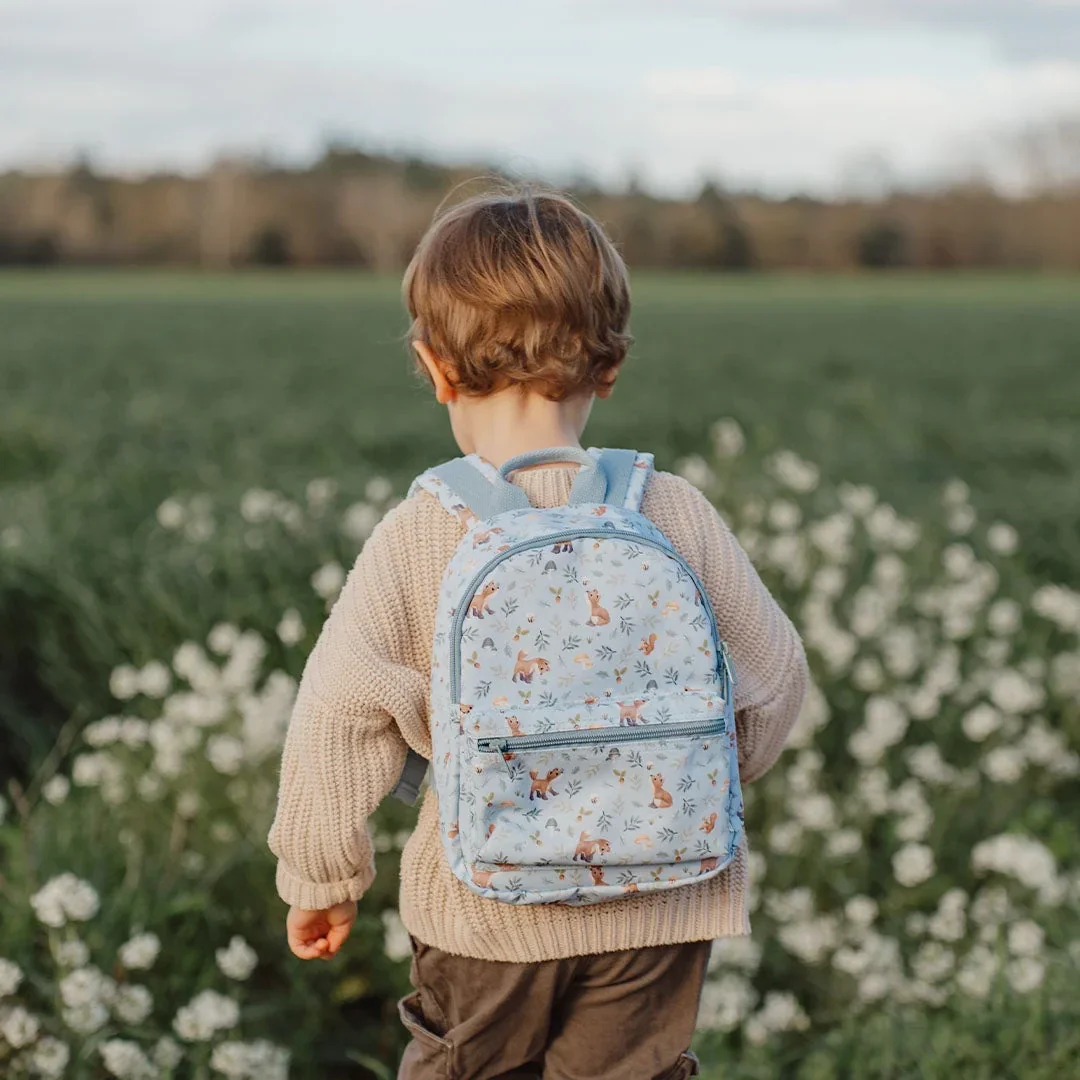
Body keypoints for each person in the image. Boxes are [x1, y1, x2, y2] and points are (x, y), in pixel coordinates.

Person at [268, 184, 809, 1080]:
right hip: (663, 901)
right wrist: (681, 774)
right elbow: (773, 678)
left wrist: (322, 877)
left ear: (434, 367)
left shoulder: (425, 532)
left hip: (486, 913)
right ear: (609, 366)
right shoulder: (671, 509)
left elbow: (338, 712)